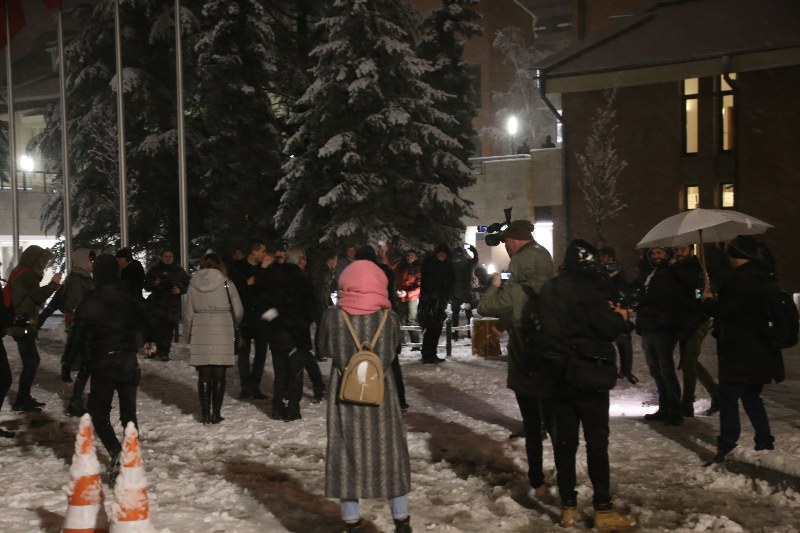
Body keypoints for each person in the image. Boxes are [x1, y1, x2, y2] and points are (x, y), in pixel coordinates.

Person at [539, 239, 636, 531]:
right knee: (596, 443)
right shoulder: (592, 288)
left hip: (558, 374)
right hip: (588, 373)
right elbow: (605, 328)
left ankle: (568, 507)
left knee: (565, 444)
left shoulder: (551, 288)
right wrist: (620, 317)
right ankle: (602, 509)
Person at [317, 260, 411, 533]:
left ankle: (351, 521)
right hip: (381, 391)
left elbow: (323, 347)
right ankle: (401, 520)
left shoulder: (333, 317)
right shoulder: (389, 318)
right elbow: (395, 350)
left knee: (346, 453)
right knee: (390, 453)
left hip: (345, 391)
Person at [477, 219, 556, 503]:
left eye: (508, 242)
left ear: (517, 241)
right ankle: (564, 477)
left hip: (526, 356)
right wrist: (505, 321)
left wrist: (495, 285)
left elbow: (485, 306)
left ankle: (536, 479)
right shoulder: (547, 277)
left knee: (533, 425)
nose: (506, 248)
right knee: (554, 421)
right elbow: (524, 304)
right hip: (550, 356)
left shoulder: (520, 276)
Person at [62, 254, 155, 482]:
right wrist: (150, 340)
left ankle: (116, 452)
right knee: (129, 416)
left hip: (103, 362)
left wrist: (67, 362)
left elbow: (77, 334)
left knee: (99, 413)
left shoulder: (91, 299)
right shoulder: (129, 295)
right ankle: (130, 457)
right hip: (128, 360)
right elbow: (147, 318)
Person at [702, 235, 782, 464]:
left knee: (728, 398)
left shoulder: (740, 280)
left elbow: (727, 312)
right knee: (751, 397)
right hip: (759, 349)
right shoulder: (763, 275)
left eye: (730, 252)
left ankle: (726, 446)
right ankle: (765, 443)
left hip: (739, 351)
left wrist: (708, 302)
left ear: (737, 254)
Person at [183, 253, 243, 424]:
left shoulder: (193, 285)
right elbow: (238, 310)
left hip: (201, 326)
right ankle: (216, 413)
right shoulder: (226, 283)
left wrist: (187, 335)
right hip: (222, 326)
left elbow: (188, 313)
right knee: (219, 373)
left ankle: (205, 414)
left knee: (203, 373)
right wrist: (234, 324)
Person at [262, 247, 317, 421]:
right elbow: (311, 307)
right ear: (301, 261)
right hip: (297, 332)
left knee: (280, 372)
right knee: (295, 372)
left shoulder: (274, 276)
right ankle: (293, 407)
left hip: (277, 331)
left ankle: (277, 407)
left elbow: (265, 302)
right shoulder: (303, 280)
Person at [6, 245, 63, 412]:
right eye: (42, 261)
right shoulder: (28, 274)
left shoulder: (19, 271)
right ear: (34, 259)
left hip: (19, 323)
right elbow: (37, 296)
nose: (44, 265)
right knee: (32, 361)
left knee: (30, 360)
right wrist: (53, 284)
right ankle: (22, 399)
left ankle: (24, 397)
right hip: (23, 325)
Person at [635, 246, 686, 426]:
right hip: (649, 326)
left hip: (663, 326)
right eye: (654, 253)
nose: (656, 256)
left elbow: (672, 297)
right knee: (655, 369)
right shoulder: (648, 272)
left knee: (666, 369)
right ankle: (664, 407)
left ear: (666, 254)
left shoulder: (670, 271)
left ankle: (675, 410)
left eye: (660, 253)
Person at [671, 244, 718, 417]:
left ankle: (687, 403)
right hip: (685, 321)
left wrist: (675, 268)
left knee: (689, 361)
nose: (678, 253)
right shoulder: (681, 269)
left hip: (697, 321)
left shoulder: (697, 268)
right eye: (676, 250)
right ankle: (715, 393)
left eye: (682, 250)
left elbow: (691, 287)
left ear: (691, 251)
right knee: (688, 362)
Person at [228, 241, 272, 399]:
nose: (264, 254)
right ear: (254, 252)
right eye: (262, 251)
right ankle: (245, 386)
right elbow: (234, 288)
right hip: (245, 316)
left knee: (261, 353)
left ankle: (255, 385)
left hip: (261, 317)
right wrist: (247, 284)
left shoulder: (264, 268)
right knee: (243, 353)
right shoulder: (238, 267)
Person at [59, 248, 97, 417]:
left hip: (88, 325)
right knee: (88, 364)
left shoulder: (85, 278)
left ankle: (78, 399)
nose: (92, 263)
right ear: (83, 261)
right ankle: (76, 401)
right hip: (83, 326)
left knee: (88, 365)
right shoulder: (77, 279)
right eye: (90, 260)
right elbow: (74, 304)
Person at [143, 249, 190, 362]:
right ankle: (151, 351)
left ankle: (164, 352)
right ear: (161, 257)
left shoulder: (179, 271)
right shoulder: (154, 270)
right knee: (153, 329)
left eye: (170, 256)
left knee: (167, 331)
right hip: (156, 304)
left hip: (172, 305)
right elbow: (146, 285)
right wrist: (155, 283)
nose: (168, 258)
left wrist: (180, 290)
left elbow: (187, 284)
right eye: (166, 256)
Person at [417, 243, 454, 364]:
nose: (442, 256)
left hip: (440, 301)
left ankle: (432, 353)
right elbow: (426, 283)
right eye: (440, 253)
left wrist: (448, 295)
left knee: (436, 328)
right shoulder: (429, 264)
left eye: (444, 254)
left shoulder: (448, 266)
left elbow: (451, 282)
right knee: (431, 328)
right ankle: (427, 354)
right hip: (429, 301)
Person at [394, 250, 422, 349]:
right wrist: (397, 290)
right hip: (400, 296)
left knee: (411, 320)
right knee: (400, 319)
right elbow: (395, 280)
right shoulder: (400, 267)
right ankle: (401, 343)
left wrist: (408, 293)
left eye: (412, 256)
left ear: (416, 258)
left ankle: (415, 344)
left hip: (411, 298)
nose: (410, 257)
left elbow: (419, 286)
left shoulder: (418, 270)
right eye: (408, 255)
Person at [450, 244, 478, 341]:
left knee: (456, 314)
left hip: (457, 293)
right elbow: (475, 260)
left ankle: (455, 334)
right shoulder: (468, 264)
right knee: (468, 314)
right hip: (465, 293)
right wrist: (473, 250)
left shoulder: (452, 266)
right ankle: (470, 333)